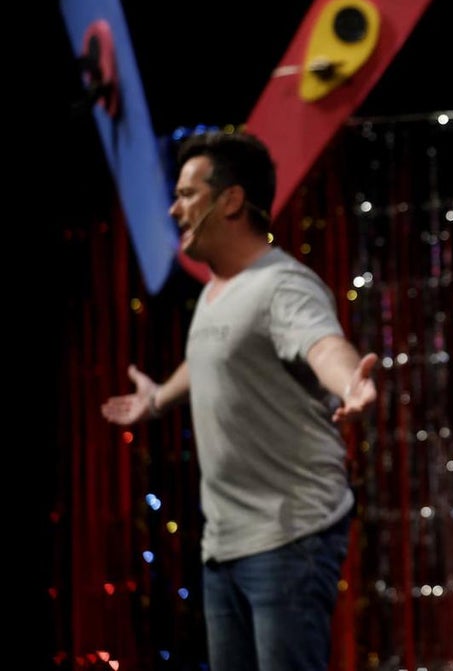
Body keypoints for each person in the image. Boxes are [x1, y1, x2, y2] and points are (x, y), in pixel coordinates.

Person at [100, 130, 379, 671]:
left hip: (289, 536)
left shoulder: (282, 286)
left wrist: (350, 383)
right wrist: (157, 398)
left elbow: (324, 345)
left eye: (186, 193)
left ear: (230, 199)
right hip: (225, 544)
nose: (174, 207)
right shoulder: (216, 290)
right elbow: (210, 356)